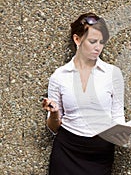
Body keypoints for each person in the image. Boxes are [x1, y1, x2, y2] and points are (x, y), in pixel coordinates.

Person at [42, 12, 126, 175]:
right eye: (92, 41)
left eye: (101, 42)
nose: (98, 47)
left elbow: (117, 117)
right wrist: (54, 113)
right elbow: (53, 128)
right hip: (67, 150)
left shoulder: (113, 74)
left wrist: (125, 132)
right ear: (77, 39)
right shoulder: (59, 76)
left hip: (100, 154)